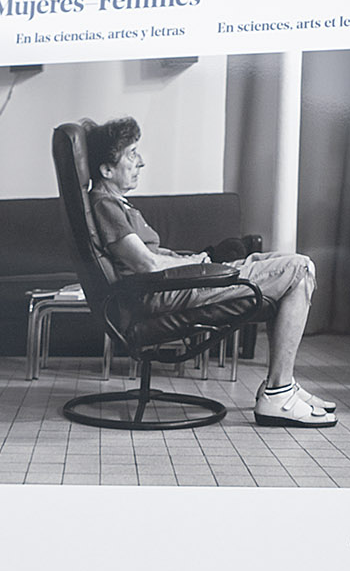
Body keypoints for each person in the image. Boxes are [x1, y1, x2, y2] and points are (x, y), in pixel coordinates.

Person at [80, 114, 336, 426]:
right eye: (132, 154)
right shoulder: (104, 204)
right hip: (166, 293)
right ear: (107, 169)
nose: (141, 162)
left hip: (177, 284)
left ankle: (283, 383)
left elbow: (149, 258)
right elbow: (144, 264)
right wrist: (198, 266)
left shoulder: (117, 204)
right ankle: (278, 392)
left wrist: (200, 262)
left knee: (294, 266)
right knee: (299, 268)